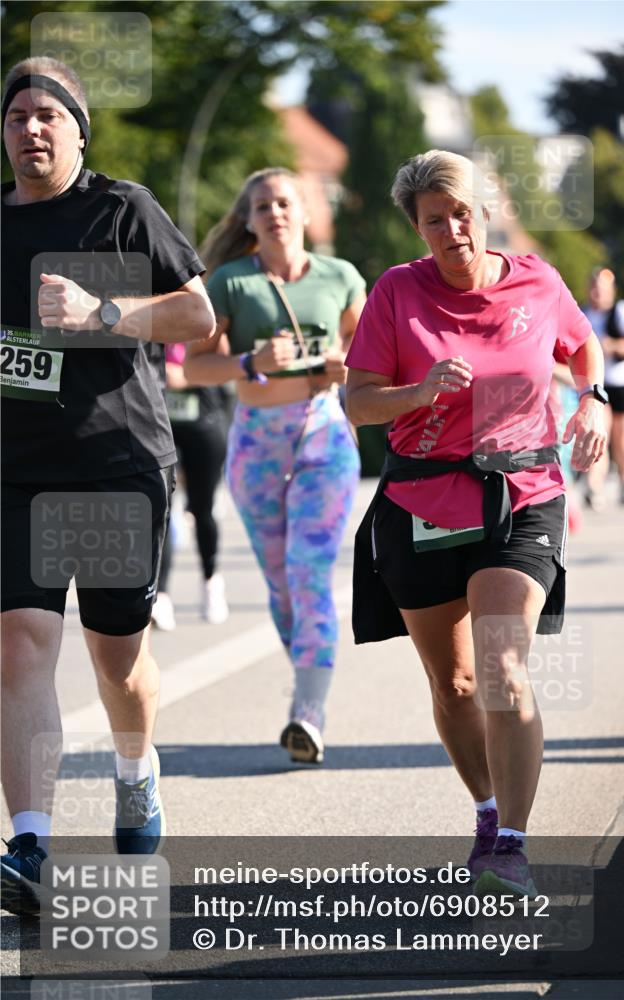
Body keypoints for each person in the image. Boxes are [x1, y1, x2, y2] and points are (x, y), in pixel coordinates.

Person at [345, 150, 607, 897]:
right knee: (454, 683)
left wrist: (592, 399)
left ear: (481, 212)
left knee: (499, 663)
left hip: (521, 492)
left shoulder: (535, 279)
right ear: (417, 228)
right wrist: (418, 391)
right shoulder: (397, 292)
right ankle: (487, 813)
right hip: (421, 504)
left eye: (460, 213)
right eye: (434, 220)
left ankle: (513, 849)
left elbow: (580, 343)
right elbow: (358, 402)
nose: (451, 230)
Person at [0, 58, 215, 914]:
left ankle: (136, 769)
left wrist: (104, 312)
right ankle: (30, 845)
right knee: (19, 645)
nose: (31, 129)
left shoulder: (119, 209)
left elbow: (197, 316)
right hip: (16, 469)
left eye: (48, 115)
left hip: (114, 463)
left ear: (79, 131)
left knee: (117, 659)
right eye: (15, 117)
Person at [184, 167, 366, 764]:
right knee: (281, 583)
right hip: (257, 444)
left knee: (309, 571)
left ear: (306, 212)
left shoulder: (341, 277)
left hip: (323, 437)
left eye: (285, 202)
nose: (275, 213)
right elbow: (194, 367)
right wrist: (250, 359)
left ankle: (308, 711)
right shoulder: (231, 282)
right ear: (248, 220)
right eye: (262, 206)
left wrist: (346, 365)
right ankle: (307, 681)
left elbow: (370, 357)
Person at [151, 341, 233, 630]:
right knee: (163, 511)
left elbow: (227, 364)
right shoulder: (150, 315)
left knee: (202, 509)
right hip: (163, 427)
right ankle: (161, 595)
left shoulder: (201, 317)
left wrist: (185, 375)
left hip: (204, 423)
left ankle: (211, 581)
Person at [582, 267, 624, 509]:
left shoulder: (622, 311)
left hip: (623, 382)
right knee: (601, 433)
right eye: (593, 287)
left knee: (623, 437)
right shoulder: (583, 313)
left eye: (602, 289)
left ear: (611, 290)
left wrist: (615, 346)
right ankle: (595, 487)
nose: (597, 293)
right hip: (597, 384)